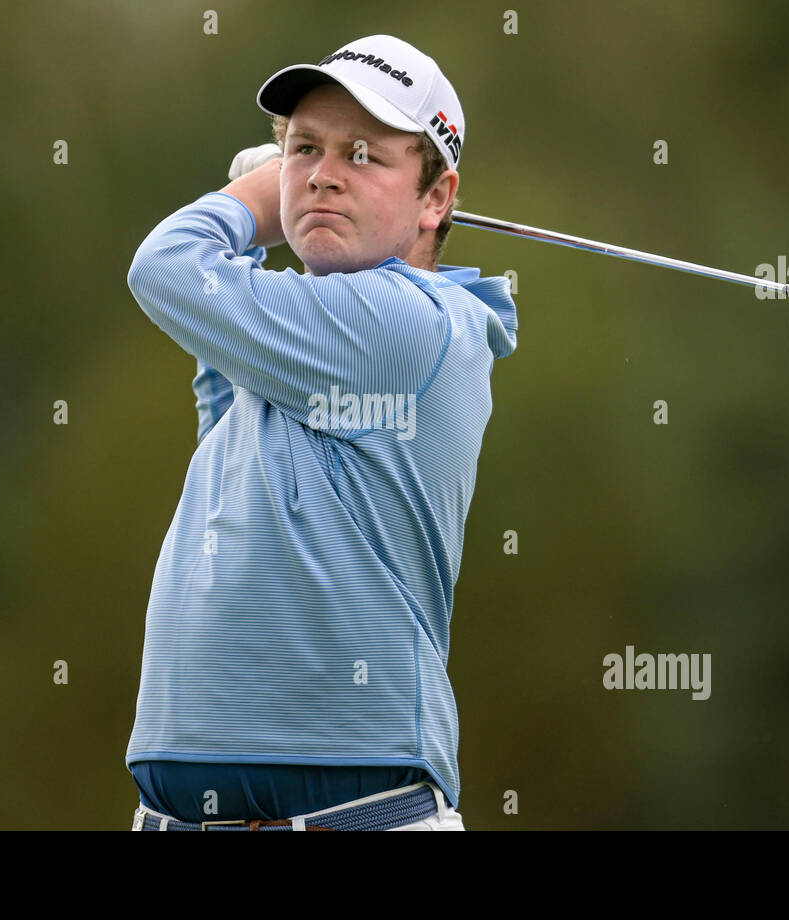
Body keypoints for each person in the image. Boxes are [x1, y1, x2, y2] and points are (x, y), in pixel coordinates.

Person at [124, 34, 518, 831]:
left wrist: (263, 198)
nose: (325, 172)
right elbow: (225, 410)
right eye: (305, 146)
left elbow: (164, 266)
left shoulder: (412, 326)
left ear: (436, 199)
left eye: (363, 154)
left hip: (359, 815)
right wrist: (286, 202)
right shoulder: (306, 346)